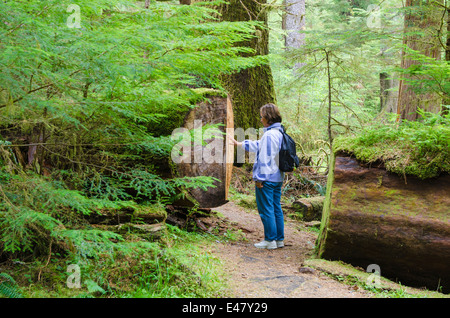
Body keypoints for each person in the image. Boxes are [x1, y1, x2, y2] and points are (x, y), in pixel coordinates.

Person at [229, 103, 285, 250]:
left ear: (268, 118)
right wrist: (239, 144)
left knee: (266, 209)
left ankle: (270, 240)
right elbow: (258, 145)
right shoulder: (279, 132)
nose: (261, 120)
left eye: (262, 117)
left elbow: (265, 158)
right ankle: (279, 239)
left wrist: (260, 178)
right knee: (276, 208)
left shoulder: (269, 135)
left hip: (267, 178)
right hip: (277, 177)